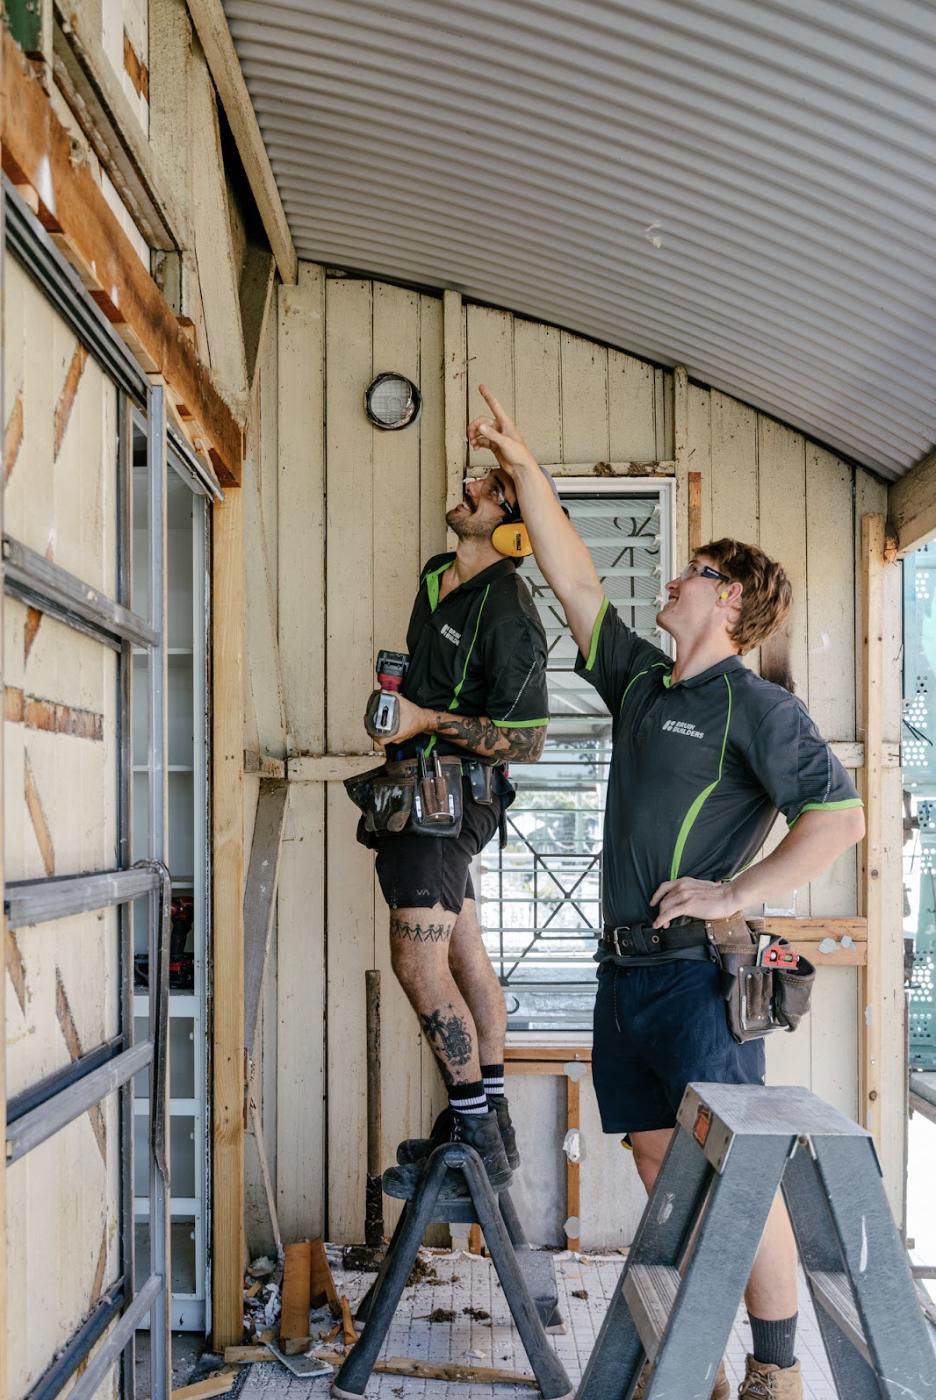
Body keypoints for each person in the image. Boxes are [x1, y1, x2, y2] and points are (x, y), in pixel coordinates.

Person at [467, 386, 865, 1400]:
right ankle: (704, 1362)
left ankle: (777, 1369)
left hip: (697, 981)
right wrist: (524, 468)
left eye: (693, 572)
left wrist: (734, 889)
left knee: (734, 1178)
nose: (675, 579)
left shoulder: (757, 706)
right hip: (624, 976)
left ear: (726, 597)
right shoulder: (646, 681)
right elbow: (573, 579)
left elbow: (840, 818)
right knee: (660, 1168)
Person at [353, 464, 551, 1197]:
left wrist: (426, 722)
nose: (467, 487)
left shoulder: (510, 613)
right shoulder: (439, 574)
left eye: (488, 488)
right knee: (465, 956)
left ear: (511, 523)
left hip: (446, 804)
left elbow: (527, 740)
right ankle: (489, 1126)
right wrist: (397, 720)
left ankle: (469, 1134)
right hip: (417, 788)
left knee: (417, 965)